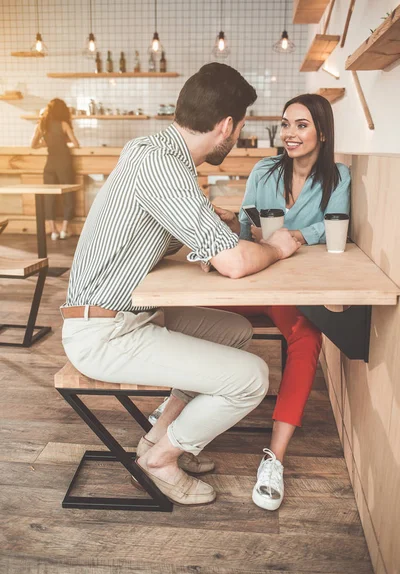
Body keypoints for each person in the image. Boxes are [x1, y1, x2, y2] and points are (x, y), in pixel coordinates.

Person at [60, 63, 300, 507]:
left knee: (236, 333)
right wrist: (279, 248)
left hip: (126, 315)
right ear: (226, 126)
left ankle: (157, 438)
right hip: (102, 333)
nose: (238, 134)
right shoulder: (163, 165)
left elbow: (156, 231)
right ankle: (162, 461)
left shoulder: (152, 152)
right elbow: (232, 264)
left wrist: (207, 228)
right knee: (251, 379)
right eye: (241, 126)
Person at [206, 93, 350, 511]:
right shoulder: (264, 170)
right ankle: (178, 404)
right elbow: (249, 226)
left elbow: (336, 224)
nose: (289, 133)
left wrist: (299, 237)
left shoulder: (338, 177)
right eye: (286, 124)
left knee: (307, 338)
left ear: (322, 132)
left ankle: (274, 458)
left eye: (301, 125)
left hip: (290, 290)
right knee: (200, 317)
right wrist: (235, 222)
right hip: (254, 281)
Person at [31, 98, 80, 240]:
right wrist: (63, 141)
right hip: (64, 162)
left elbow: (33, 145)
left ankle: (53, 231)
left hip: (50, 163)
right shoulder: (64, 124)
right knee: (68, 194)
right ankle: (64, 229)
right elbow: (76, 144)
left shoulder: (42, 124)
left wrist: (45, 143)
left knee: (49, 196)